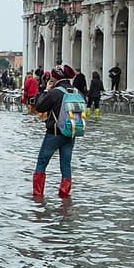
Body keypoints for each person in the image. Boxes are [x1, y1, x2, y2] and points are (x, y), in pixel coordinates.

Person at [30, 67, 80, 200]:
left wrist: (46, 90)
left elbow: (39, 106)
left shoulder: (56, 92)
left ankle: (38, 195)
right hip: (71, 132)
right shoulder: (75, 91)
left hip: (54, 132)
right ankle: (65, 194)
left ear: (54, 78)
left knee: (42, 162)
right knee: (66, 163)